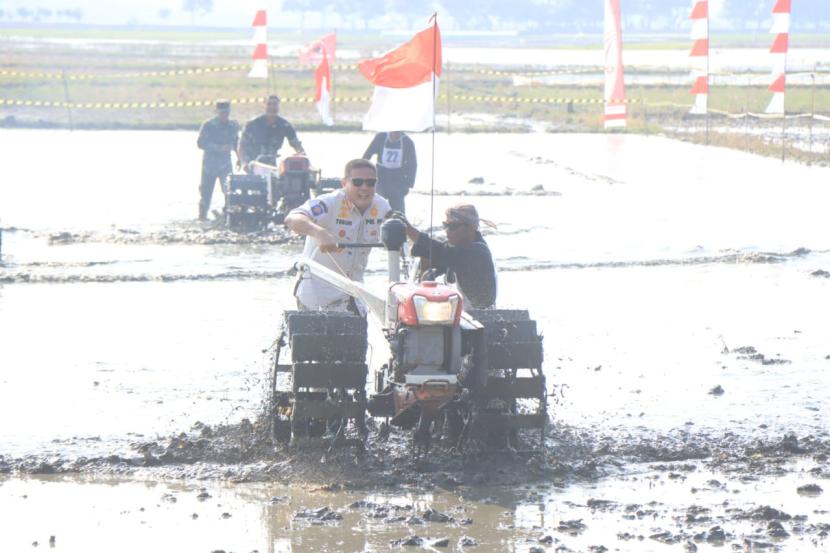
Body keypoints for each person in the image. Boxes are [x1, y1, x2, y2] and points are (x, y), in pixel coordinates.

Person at [285, 159, 391, 312]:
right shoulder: (329, 203)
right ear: (344, 183)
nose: (364, 188)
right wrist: (319, 232)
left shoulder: (382, 206)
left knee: (359, 334)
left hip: (355, 293)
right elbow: (292, 218)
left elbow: (403, 229)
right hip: (317, 294)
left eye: (370, 183)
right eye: (358, 182)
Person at [396, 204, 497, 309]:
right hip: (465, 315)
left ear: (471, 227)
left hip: (481, 318)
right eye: (445, 225)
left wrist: (409, 229)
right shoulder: (457, 249)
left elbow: (439, 251)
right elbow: (434, 255)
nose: (447, 230)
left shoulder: (477, 251)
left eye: (453, 226)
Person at [196, 99, 239, 220]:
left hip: (225, 164)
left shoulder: (233, 125)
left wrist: (239, 158)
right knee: (206, 193)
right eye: (221, 113)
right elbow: (200, 143)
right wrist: (218, 148)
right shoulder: (208, 125)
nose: (224, 115)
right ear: (216, 112)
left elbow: (236, 143)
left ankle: (228, 216)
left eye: (226, 113)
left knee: (229, 191)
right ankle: (202, 217)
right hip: (209, 165)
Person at [238, 94, 305, 171]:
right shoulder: (252, 124)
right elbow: (242, 146)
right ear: (264, 106)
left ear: (278, 106)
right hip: (253, 165)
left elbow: (297, 145)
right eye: (269, 104)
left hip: (272, 165)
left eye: (275, 105)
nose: (272, 107)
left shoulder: (284, 125)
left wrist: (304, 160)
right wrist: (244, 163)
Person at [362, 131, 417, 214]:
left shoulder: (407, 142)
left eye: (398, 132)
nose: (395, 134)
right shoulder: (381, 137)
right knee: (376, 206)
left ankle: (399, 225)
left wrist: (408, 185)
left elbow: (412, 165)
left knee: (398, 211)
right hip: (380, 178)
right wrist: (363, 173)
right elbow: (367, 155)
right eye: (393, 132)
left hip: (398, 180)